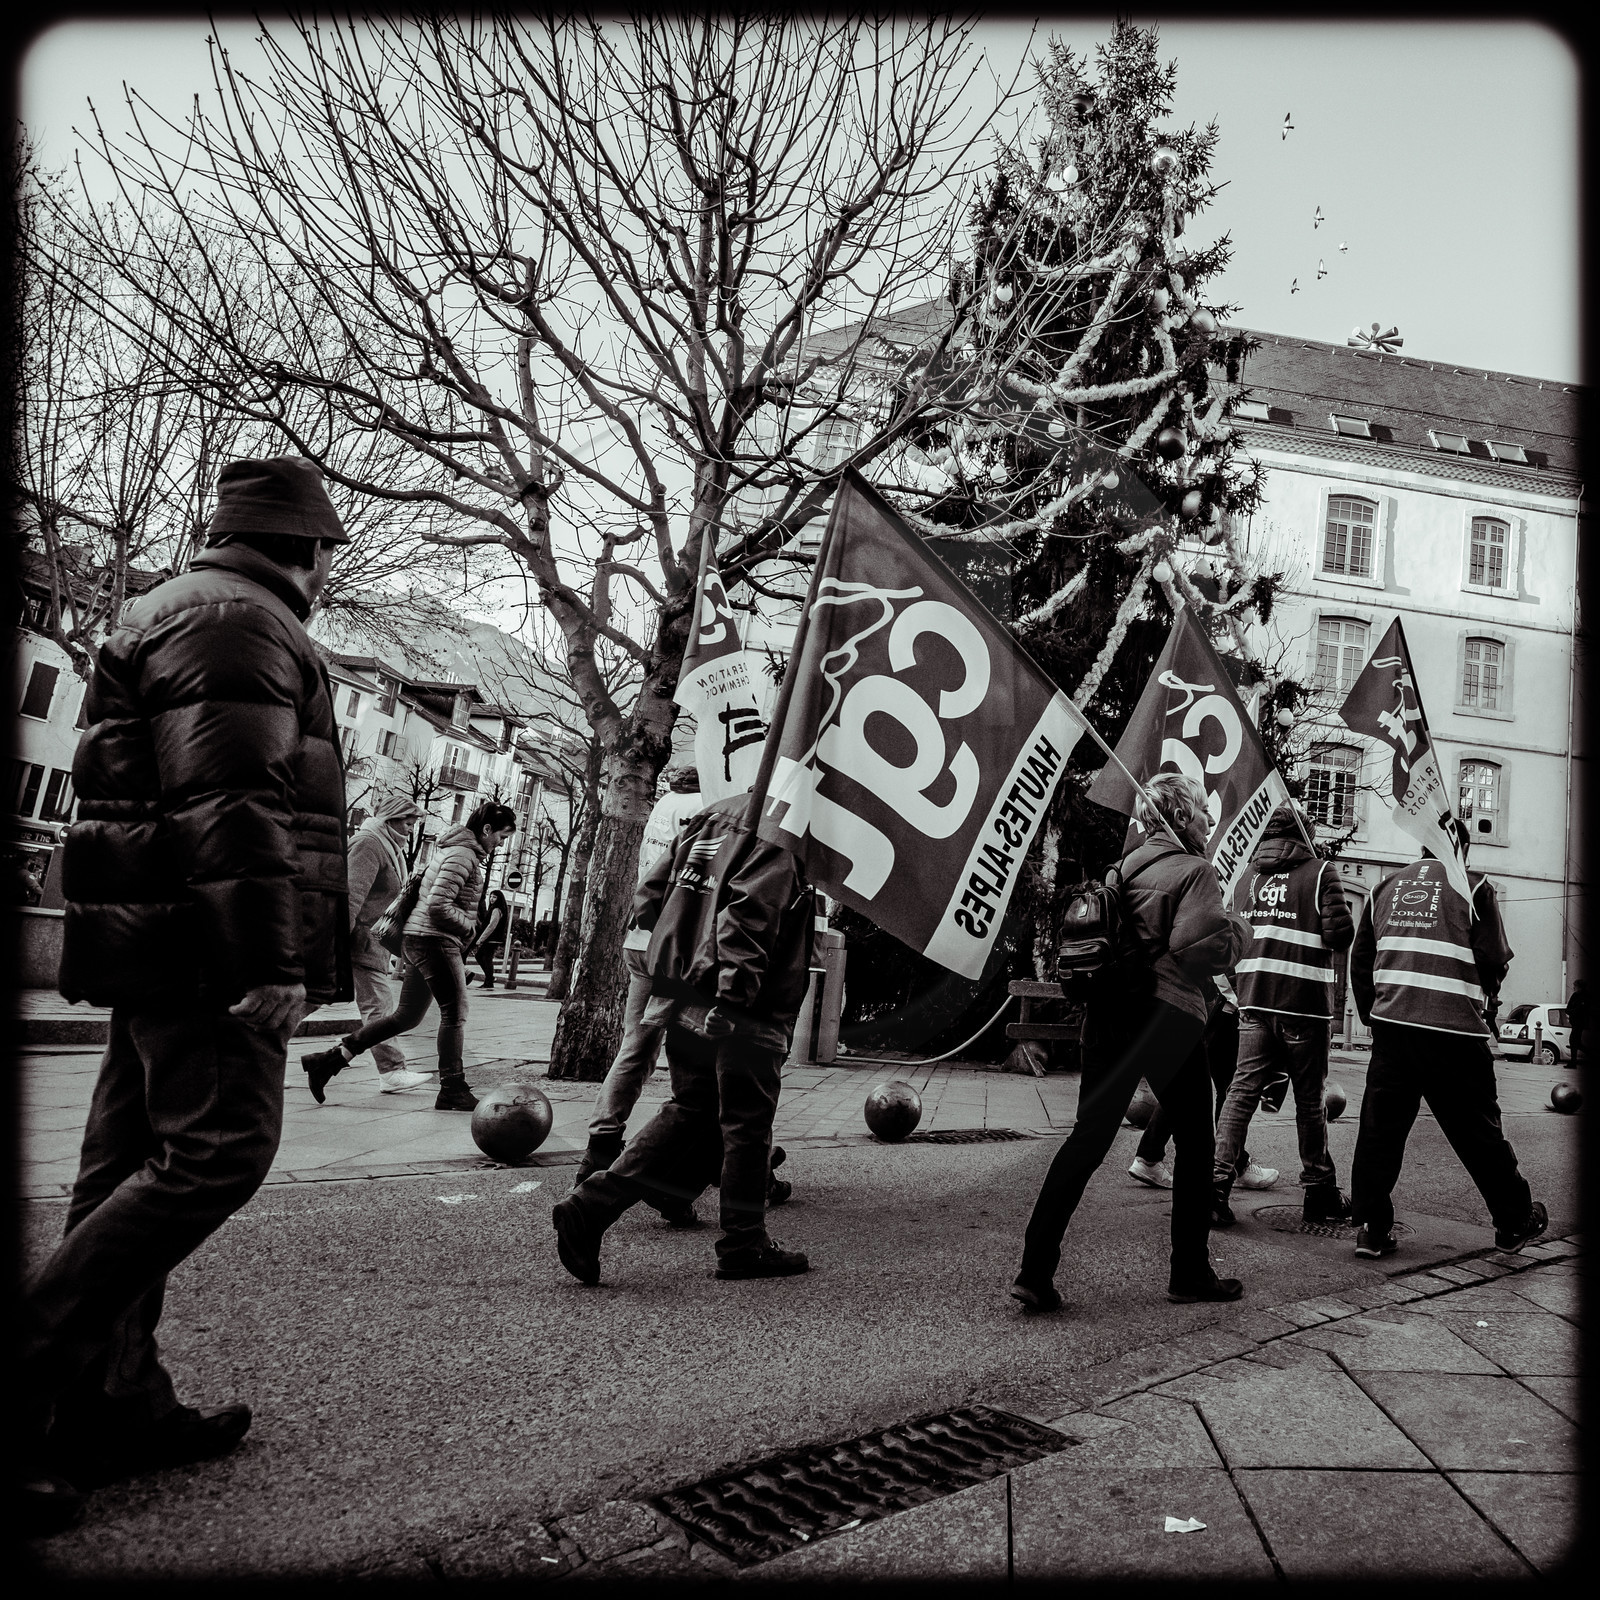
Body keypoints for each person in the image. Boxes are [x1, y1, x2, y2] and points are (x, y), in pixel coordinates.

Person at [20, 456, 352, 1535]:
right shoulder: (240, 623)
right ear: (305, 544)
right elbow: (232, 803)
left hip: (161, 938)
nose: (329, 567)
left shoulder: (182, 604)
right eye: (329, 548)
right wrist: (269, 960)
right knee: (218, 1149)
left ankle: (111, 1401)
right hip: (207, 946)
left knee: (122, 1164)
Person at [1012, 772, 1252, 1314]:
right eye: (1204, 812)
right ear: (1183, 816)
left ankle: (1034, 1270)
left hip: (1107, 1013)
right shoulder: (1195, 871)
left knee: (1088, 1139)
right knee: (1196, 1138)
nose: (1211, 822)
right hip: (1164, 1015)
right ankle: (1189, 1272)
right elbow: (1200, 949)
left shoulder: (1123, 868)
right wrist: (1240, 924)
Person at [552, 792, 816, 1283]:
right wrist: (731, 998)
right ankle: (743, 1243)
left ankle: (591, 1204)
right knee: (746, 1125)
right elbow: (749, 915)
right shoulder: (783, 829)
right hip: (741, 1005)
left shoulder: (714, 815)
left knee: (692, 1106)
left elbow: (651, 892)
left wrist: (677, 969)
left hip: (684, 990)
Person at [1347, 834, 1547, 1259]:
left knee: (1379, 1133)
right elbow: (1493, 959)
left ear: (1424, 844)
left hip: (1393, 1029)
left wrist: (1373, 1014)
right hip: (1454, 1031)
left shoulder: (1385, 887)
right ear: (1463, 849)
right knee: (1478, 1132)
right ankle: (1514, 1221)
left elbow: (1361, 959)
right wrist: (1484, 1001)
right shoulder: (1475, 886)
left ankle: (1370, 1227)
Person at [300, 800, 518, 1111]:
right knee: (455, 1014)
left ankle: (331, 1059)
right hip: (435, 940)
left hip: (420, 940)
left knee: (407, 1016)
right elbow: (438, 905)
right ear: (487, 829)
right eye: (502, 837)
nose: (500, 844)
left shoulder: (453, 849)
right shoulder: (463, 855)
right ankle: (452, 1088)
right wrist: (469, 925)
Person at [1210, 803, 1354, 1228]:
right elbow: (1339, 935)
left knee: (1240, 1093)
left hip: (1253, 1000)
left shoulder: (1246, 878)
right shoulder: (1320, 872)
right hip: (1302, 1003)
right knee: (1309, 1101)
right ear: (1303, 833)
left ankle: (1215, 1187)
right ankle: (1319, 1190)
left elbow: (1231, 939)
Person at [571, 768, 703, 1191]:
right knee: (704, 1055)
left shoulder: (664, 806)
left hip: (641, 939)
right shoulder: (705, 809)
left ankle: (602, 1141)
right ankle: (696, 1161)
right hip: (675, 946)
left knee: (636, 1047)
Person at [1127, 973, 1279, 1193]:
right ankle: (1233, 1165)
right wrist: (1245, 997)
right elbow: (1227, 957)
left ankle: (1149, 1156)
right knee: (1228, 1089)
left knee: (1191, 1085)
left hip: (1217, 1002)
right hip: (1224, 1004)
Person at [342, 795, 433, 1092]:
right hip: (360, 941)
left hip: (370, 942)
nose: (411, 829)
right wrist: (335, 942)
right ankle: (392, 1071)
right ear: (391, 819)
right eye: (408, 823)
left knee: (308, 1001)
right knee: (379, 1007)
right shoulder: (369, 844)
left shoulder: (388, 847)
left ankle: (258, 1057)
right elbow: (351, 896)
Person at [467, 889, 508, 989]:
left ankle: (489, 981)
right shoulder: (495, 908)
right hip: (493, 938)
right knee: (481, 956)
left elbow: (491, 926)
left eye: (494, 897)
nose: (491, 899)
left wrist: (481, 939)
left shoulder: (496, 910)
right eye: (491, 896)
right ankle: (490, 978)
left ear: (499, 899)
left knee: (485, 958)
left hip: (492, 938)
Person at [1566, 978, 1587, 1067]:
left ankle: (1573, 1062)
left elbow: (1581, 1010)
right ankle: (1573, 1062)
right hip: (1574, 1023)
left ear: (1580, 987)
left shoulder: (1585, 997)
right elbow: (1568, 1009)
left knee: (1574, 1041)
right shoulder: (1574, 996)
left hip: (1580, 1023)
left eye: (1575, 986)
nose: (1573, 988)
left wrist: (1573, 1011)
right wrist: (1573, 1011)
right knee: (1576, 1043)